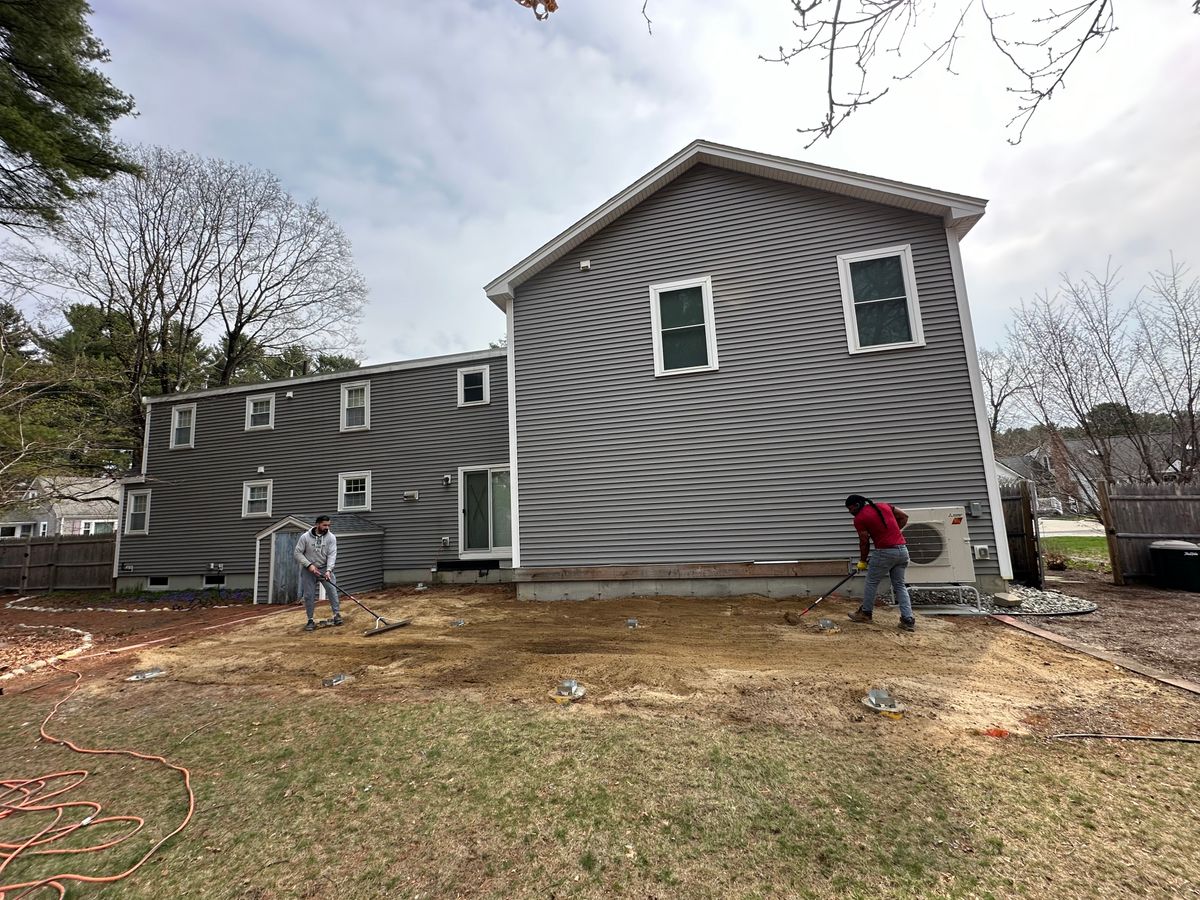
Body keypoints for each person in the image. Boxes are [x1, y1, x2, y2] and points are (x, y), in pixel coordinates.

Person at [843, 494, 915, 632]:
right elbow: (904, 516)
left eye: (850, 508)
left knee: (871, 582)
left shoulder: (860, 519)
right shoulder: (883, 506)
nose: (849, 512)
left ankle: (866, 614)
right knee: (900, 585)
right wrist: (891, 534)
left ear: (857, 505)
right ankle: (908, 619)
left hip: (885, 552)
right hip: (902, 551)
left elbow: (864, 542)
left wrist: (862, 561)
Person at [294, 515, 340, 631]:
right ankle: (310, 620)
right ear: (317, 524)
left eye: (329, 525)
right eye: (324, 525)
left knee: (332, 591)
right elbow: (297, 553)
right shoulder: (305, 537)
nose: (327, 527)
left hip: (324, 568)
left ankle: (336, 615)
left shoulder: (331, 538)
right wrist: (309, 565)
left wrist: (329, 570)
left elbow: (332, 555)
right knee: (309, 595)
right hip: (309, 570)